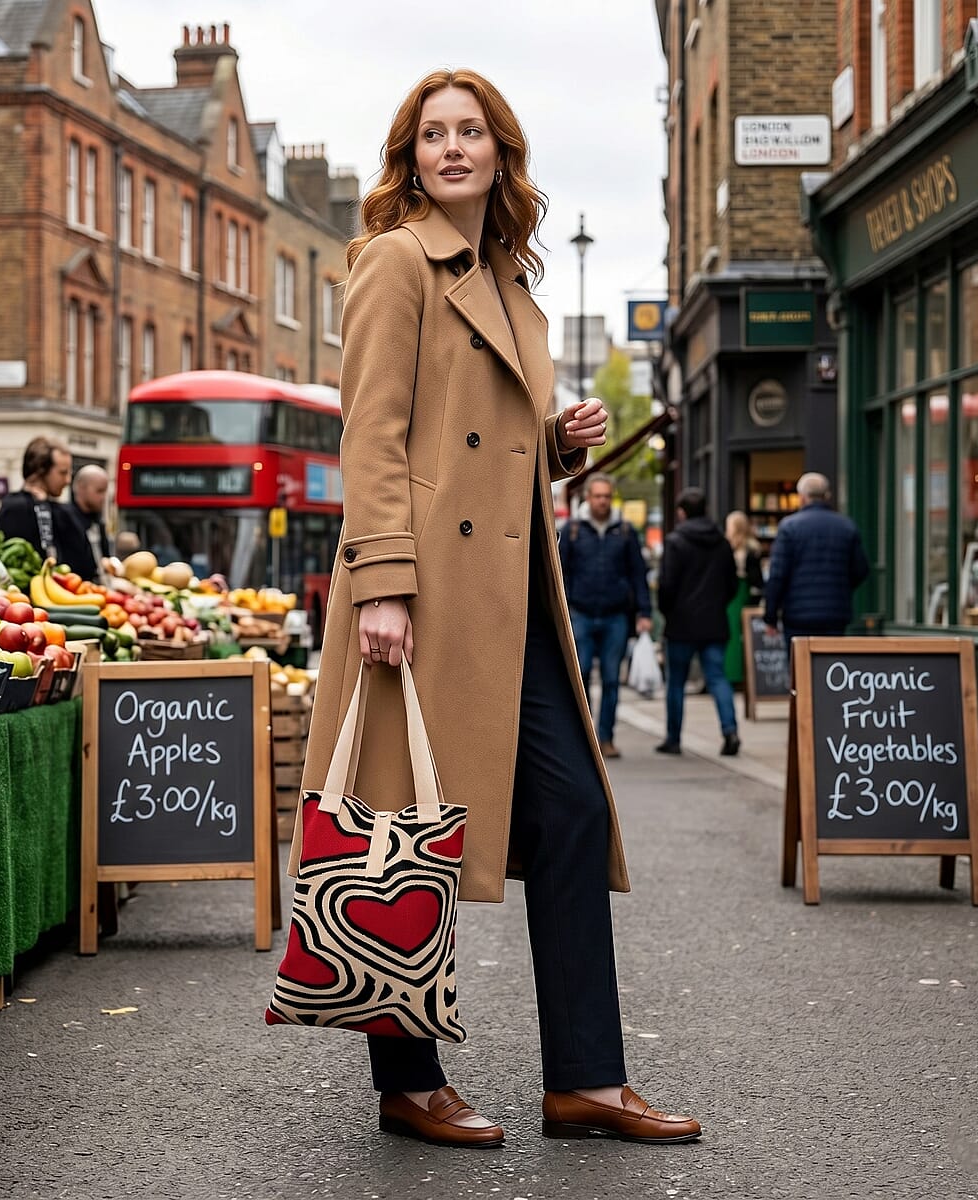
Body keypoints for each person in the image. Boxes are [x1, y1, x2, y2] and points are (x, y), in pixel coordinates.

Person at [290, 68, 701, 1149]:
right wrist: (382, 582)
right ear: (412, 157)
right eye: (433, 134)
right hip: (421, 592)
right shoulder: (394, 261)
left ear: (501, 153)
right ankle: (407, 1081)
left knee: (571, 814)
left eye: (471, 131)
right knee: (395, 830)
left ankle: (586, 1081)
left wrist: (557, 447)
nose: (453, 147)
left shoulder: (514, 285)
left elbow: (483, 448)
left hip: (511, 600)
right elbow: (372, 434)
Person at [558, 473, 653, 758]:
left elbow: (638, 574)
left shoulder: (624, 531)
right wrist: (562, 611)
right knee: (582, 674)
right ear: (588, 497)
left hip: (615, 616)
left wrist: (645, 612)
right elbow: (560, 574)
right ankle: (586, 740)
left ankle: (606, 738)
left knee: (612, 679)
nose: (603, 501)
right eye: (598, 496)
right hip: (581, 613)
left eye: (607, 496)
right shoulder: (573, 530)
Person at [656, 487, 739, 756]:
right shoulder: (722, 542)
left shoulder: (675, 542)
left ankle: (673, 738)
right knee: (717, 678)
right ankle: (730, 731)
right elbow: (732, 584)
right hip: (714, 622)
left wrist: (667, 612)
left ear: (681, 512)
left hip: (681, 623)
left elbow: (667, 585)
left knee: (676, 682)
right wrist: (717, 604)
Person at [762, 472, 869, 642]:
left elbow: (777, 575)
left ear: (802, 497)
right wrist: (840, 586)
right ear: (827, 496)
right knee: (833, 658)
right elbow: (861, 570)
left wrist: (770, 616)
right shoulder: (846, 526)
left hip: (798, 613)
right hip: (835, 612)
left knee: (799, 657)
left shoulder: (790, 527)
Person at [0, 436, 72, 556]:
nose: (68, 480)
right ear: (41, 470)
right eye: (62, 473)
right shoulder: (15, 509)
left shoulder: (58, 510)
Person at [723, 510, 764, 687]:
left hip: (741, 594)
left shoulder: (750, 548)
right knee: (731, 635)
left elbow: (756, 578)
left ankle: (738, 674)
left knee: (739, 635)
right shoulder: (728, 546)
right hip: (732, 595)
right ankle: (731, 673)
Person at [56, 465, 112, 581]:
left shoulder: (98, 521)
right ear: (81, 488)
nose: (103, 497)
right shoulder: (63, 516)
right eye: (99, 491)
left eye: (105, 492)